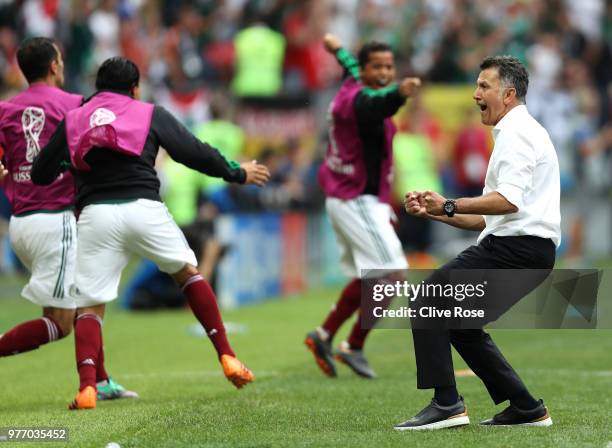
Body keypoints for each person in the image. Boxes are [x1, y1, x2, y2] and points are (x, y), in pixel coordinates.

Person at [32, 56, 270, 410]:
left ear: (97, 87)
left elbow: (40, 173)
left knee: (90, 306)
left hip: (96, 215)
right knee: (187, 273)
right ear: (135, 88)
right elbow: (194, 152)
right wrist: (236, 172)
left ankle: (87, 389)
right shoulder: (149, 112)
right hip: (145, 209)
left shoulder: (74, 119)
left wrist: (72, 161)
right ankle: (228, 356)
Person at [396, 55, 560, 430]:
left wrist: (450, 202)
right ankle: (525, 408)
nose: (475, 94)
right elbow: (490, 217)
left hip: (516, 249)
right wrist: (435, 212)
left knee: (430, 297)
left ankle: (447, 403)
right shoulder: (517, 131)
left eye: (484, 86)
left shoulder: (517, 134)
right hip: (527, 250)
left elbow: (508, 201)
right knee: (460, 324)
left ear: (509, 93)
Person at [0, 38, 136, 402]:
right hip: (56, 220)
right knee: (62, 321)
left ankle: (101, 380)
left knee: (82, 301)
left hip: (22, 223)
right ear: (55, 66)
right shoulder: (75, 104)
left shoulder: (4, 109)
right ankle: (90, 385)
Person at [304, 33, 420, 379]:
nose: (385, 72)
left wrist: (336, 47)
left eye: (389, 66)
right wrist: (398, 93)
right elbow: (377, 104)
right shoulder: (358, 101)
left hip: (352, 196)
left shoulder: (353, 79)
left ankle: (323, 335)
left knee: (367, 276)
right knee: (393, 273)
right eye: (377, 67)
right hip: (355, 198)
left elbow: (350, 63)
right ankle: (353, 345)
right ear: (366, 70)